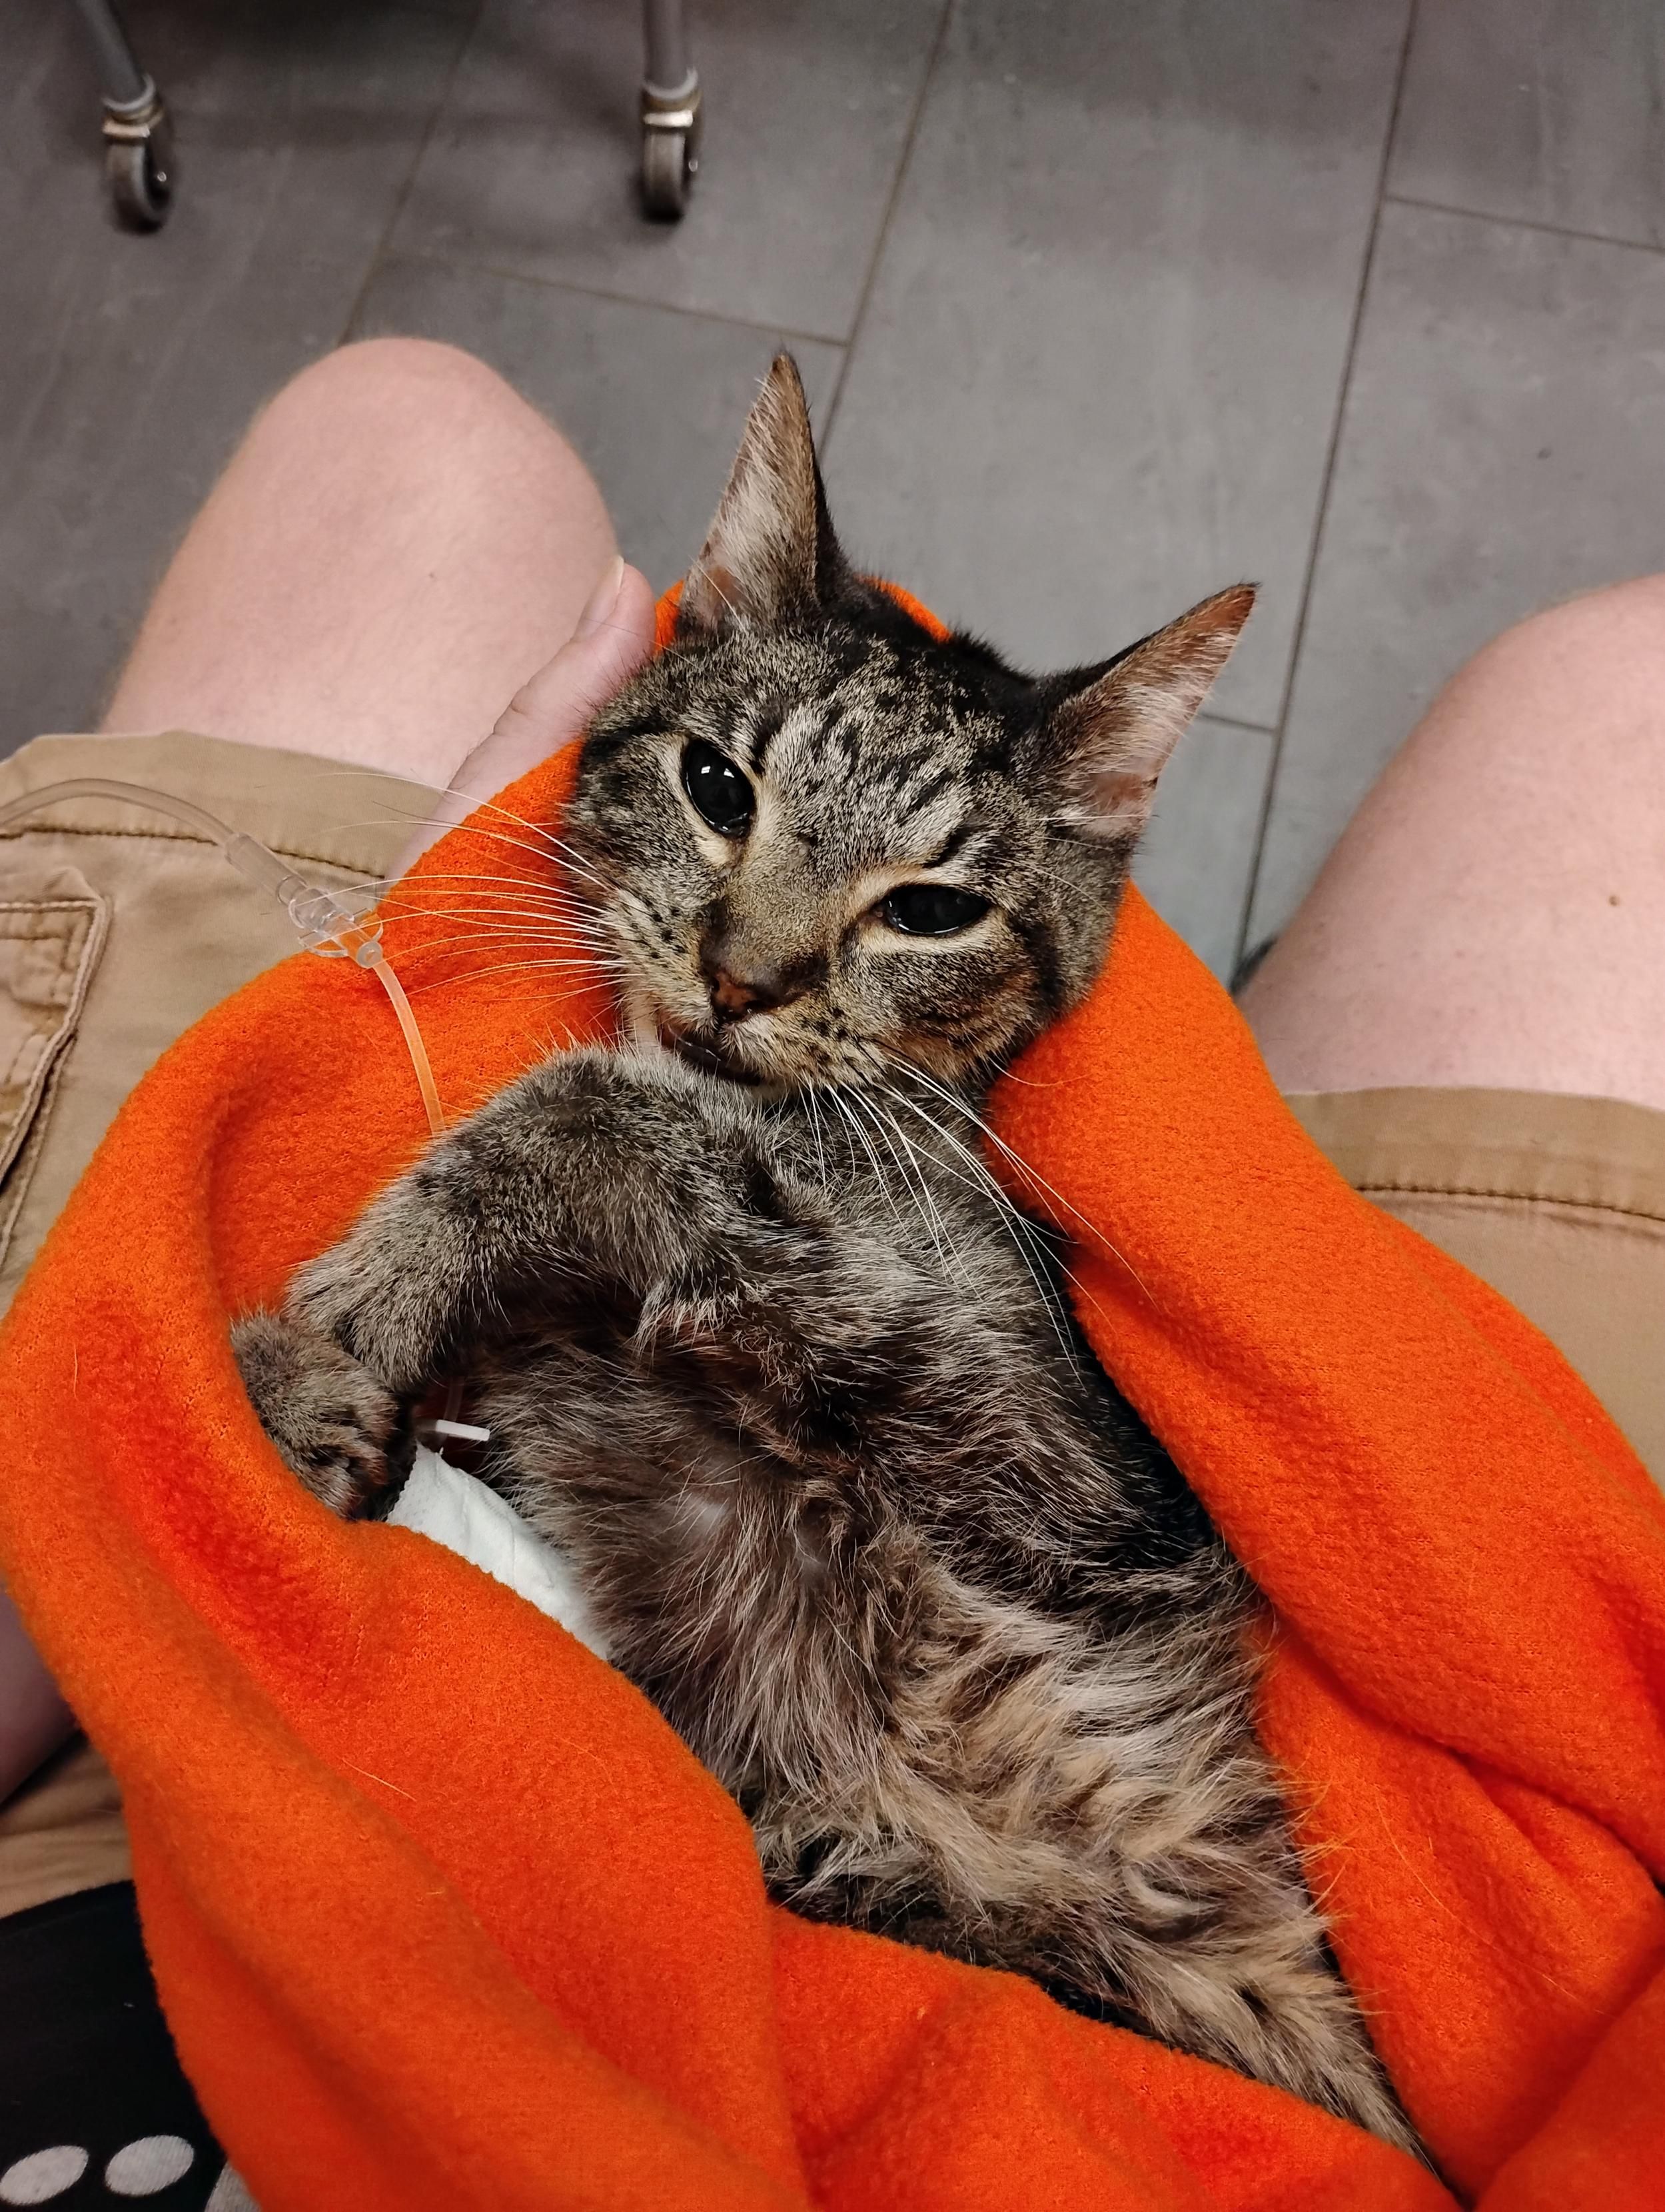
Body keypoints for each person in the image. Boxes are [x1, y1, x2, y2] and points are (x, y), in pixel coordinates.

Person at [1, 331, 1661, 1921]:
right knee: (1608, 694)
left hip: (1036, 1895)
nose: (749, 964)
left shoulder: (931, 1197)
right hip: (784, 1876)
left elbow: (1035, 1527)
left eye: (922, 905)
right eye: (725, 797)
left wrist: (556, 1148)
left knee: (404, 425)